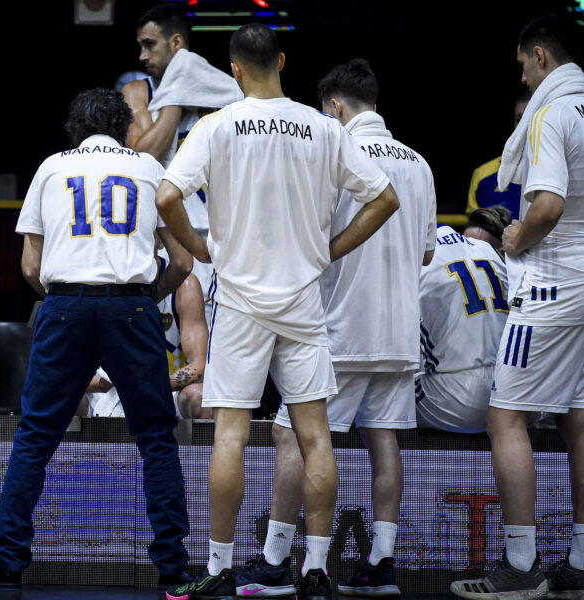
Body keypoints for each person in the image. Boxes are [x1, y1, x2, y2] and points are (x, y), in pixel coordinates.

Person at [157, 25, 399, 600]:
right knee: (315, 438)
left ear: (235, 70)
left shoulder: (217, 126)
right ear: (283, 61)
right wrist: (331, 250)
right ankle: (315, 571)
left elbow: (166, 196)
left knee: (231, 437)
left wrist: (200, 249)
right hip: (302, 302)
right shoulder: (323, 128)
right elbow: (385, 198)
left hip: (241, 302)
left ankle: (219, 569)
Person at [451, 16, 584, 600]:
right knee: (579, 420)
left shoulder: (549, 113)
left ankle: (520, 566)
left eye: (521, 66)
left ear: (538, 56)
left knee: (504, 418)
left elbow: (549, 206)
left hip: (554, 286)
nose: (522, 78)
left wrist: (517, 238)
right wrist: (583, 242)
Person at [0, 88, 194, 590]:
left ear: (74, 129)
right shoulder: (148, 168)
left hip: (66, 307)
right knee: (157, 439)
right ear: (124, 128)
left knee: (35, 436)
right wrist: (144, 297)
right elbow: (183, 263)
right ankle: (173, 568)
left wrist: (64, 299)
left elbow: (30, 267)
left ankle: (8, 564)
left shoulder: (51, 168)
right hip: (131, 307)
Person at [241, 58, 434, 599]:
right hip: (398, 332)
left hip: (341, 327)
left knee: (290, 436)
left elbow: (302, 236)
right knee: (383, 439)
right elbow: (425, 254)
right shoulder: (419, 163)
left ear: (335, 107)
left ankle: (280, 562)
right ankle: (382, 564)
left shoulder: (332, 148)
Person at [123, 5, 243, 323]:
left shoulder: (223, 93)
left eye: (149, 44)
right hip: (167, 241)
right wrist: (176, 94)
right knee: (167, 340)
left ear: (176, 43)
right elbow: (143, 156)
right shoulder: (138, 92)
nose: (142, 56)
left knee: (215, 343)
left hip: (219, 241)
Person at [81, 246, 209, 420]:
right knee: (58, 395)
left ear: (161, 240)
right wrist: (101, 383)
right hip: (103, 392)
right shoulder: (90, 281)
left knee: (200, 397)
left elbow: (199, 367)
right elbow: (64, 372)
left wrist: (148, 385)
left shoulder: (184, 286)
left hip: (165, 388)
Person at [416, 207, 512, 434]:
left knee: (383, 392)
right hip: (511, 394)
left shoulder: (420, 258)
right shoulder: (490, 253)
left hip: (457, 398)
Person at [465, 93, 530, 219]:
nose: (523, 125)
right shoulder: (483, 174)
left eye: (531, 118)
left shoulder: (557, 170)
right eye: (519, 119)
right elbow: (476, 226)